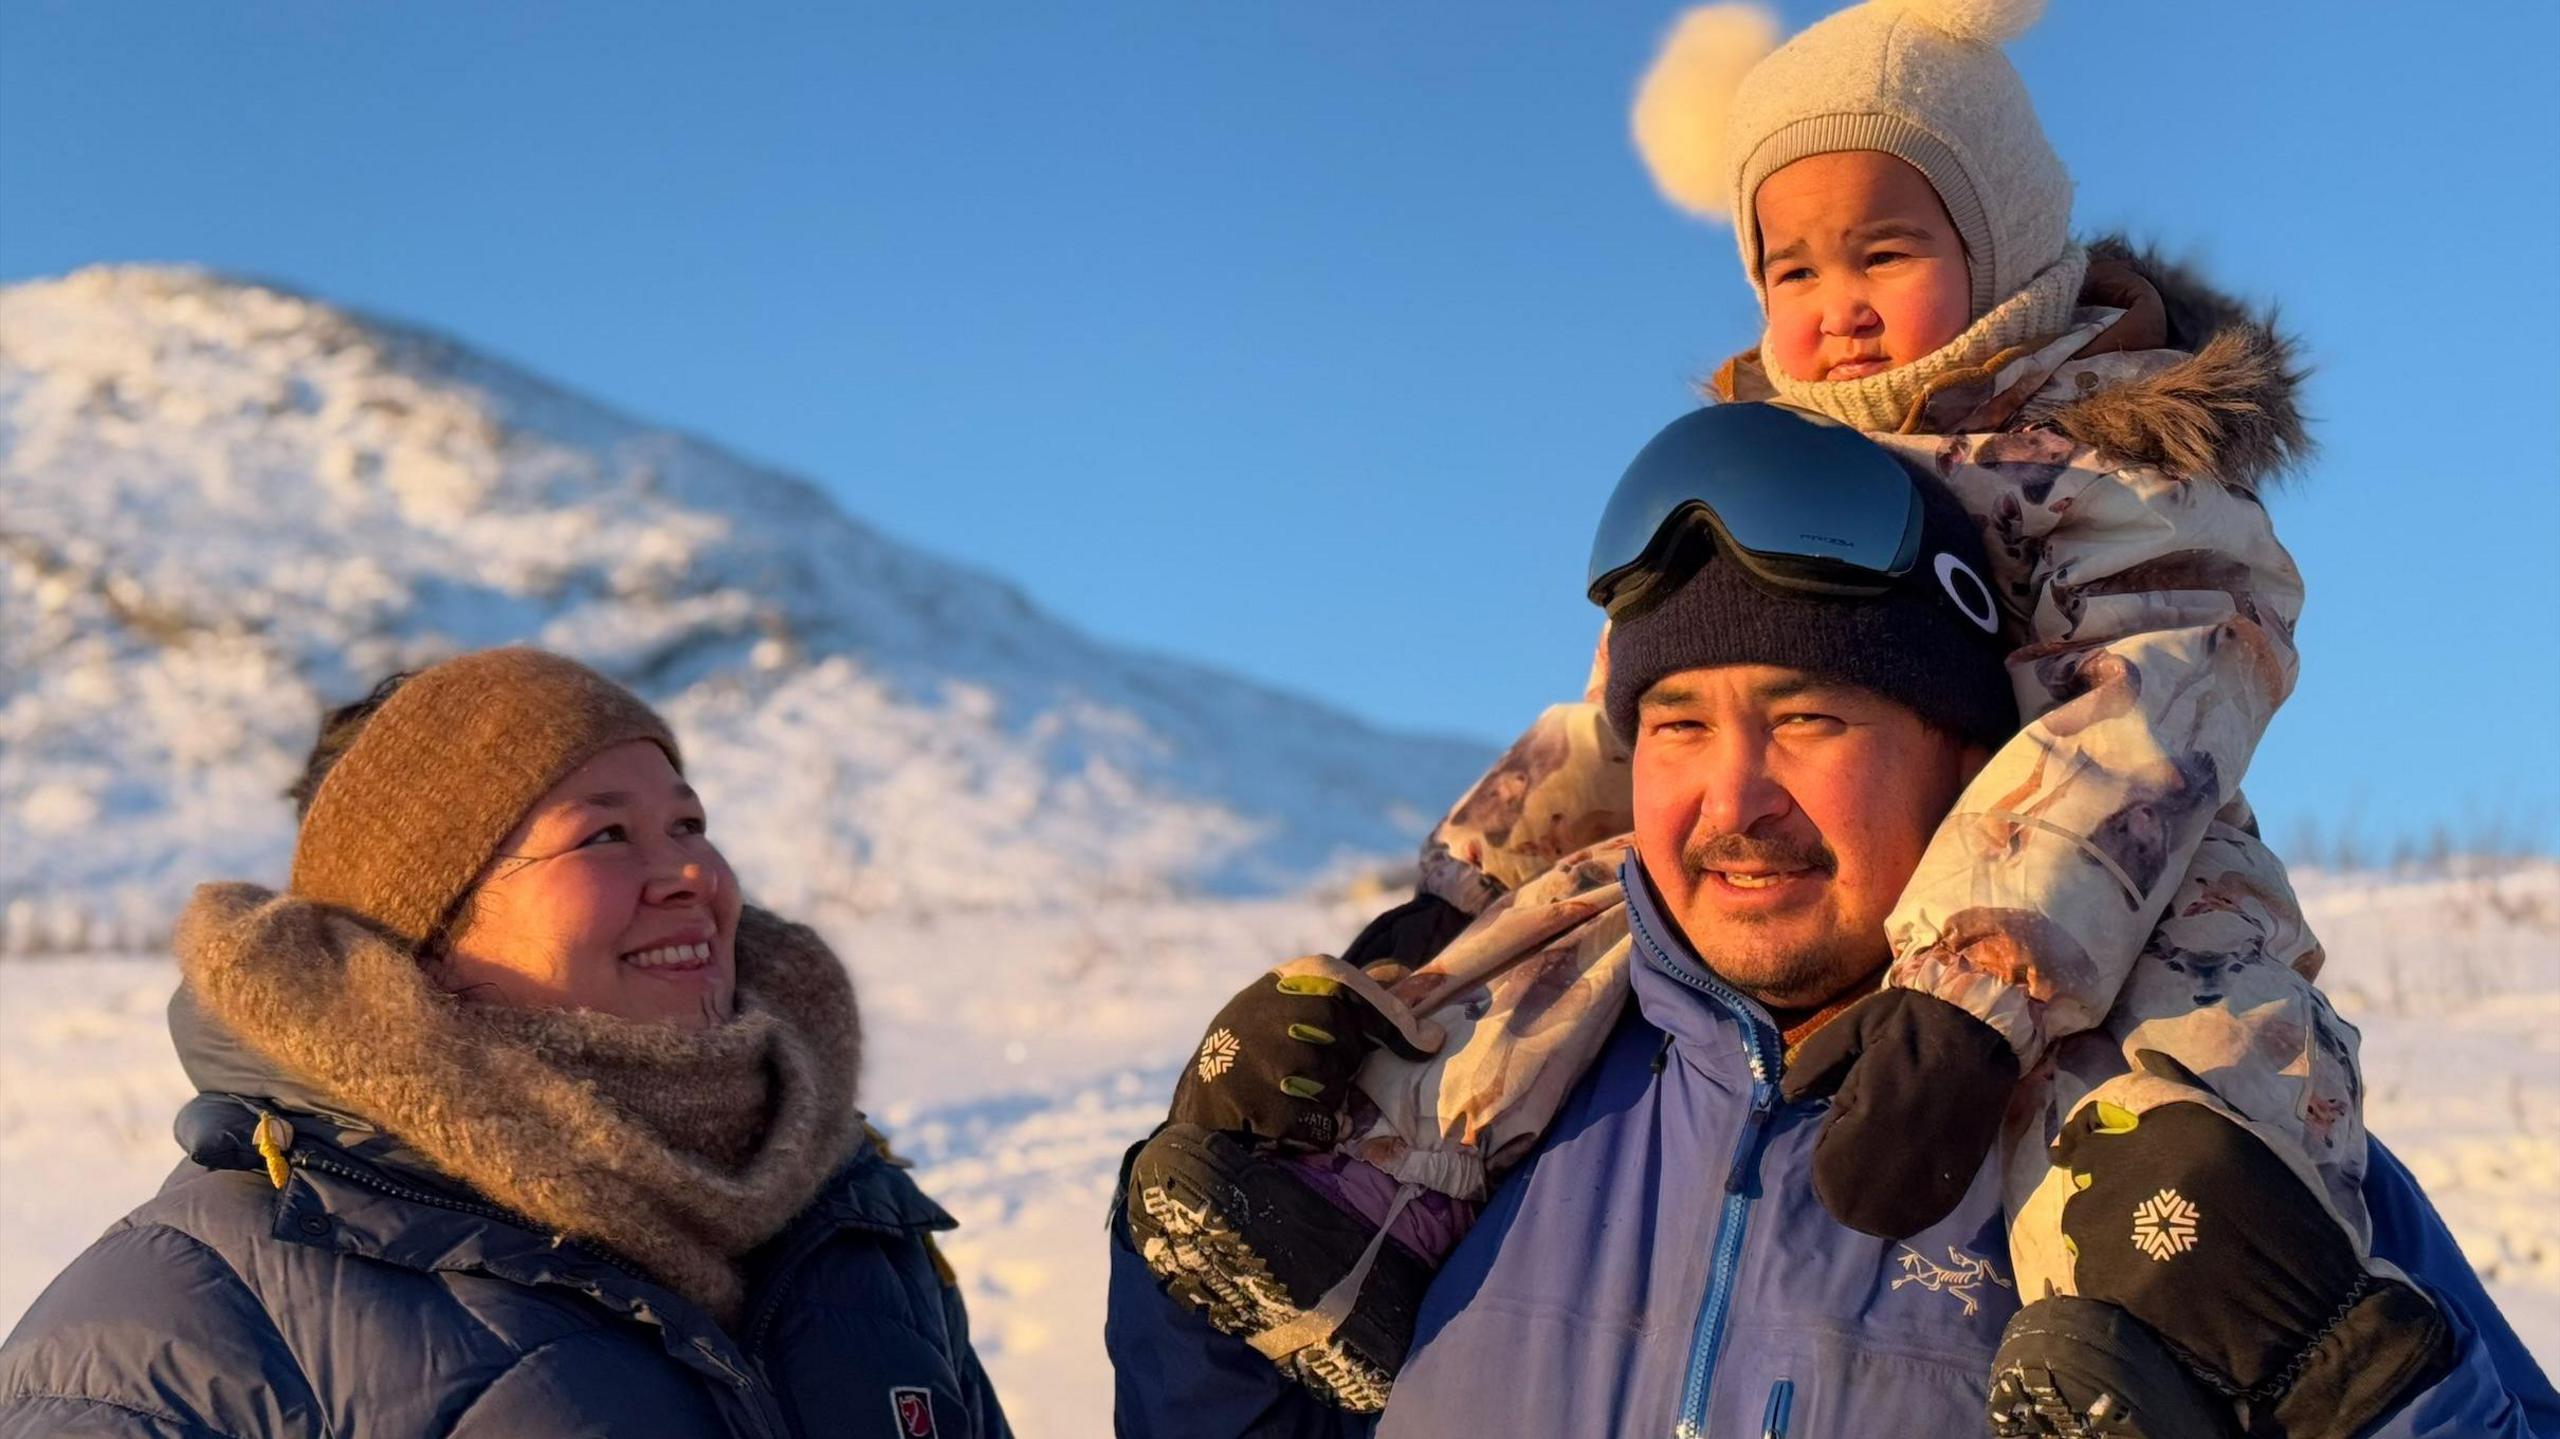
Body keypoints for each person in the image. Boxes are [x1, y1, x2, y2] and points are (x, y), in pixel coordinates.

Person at [1124, 0, 2424, 1431]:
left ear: (2003, 247)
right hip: (1891, 923)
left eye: (1887, 250)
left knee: (2186, 1051)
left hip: (2110, 863)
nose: (1838, 305)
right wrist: (1446, 915)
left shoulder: (2119, 464)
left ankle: (2142, 1331)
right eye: (1789, 267)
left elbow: (2128, 733)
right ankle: (1373, 1204)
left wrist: (1970, 996)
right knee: (1573, 937)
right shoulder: (1751, 473)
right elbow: (1614, 730)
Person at [1108, 407, 2560, 1436]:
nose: (1731, 798)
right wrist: (1194, 1248)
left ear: (1964, 754)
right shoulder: (1458, 1121)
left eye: (1811, 718)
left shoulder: (2184, 1151)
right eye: (1675, 724)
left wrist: (2354, 1388)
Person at [0, 647, 1011, 1439]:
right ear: (428, 928)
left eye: (689, 822)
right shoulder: (183, 1325)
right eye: (605, 834)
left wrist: (1172, 1331)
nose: (693, 874)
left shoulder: (844, 1225)